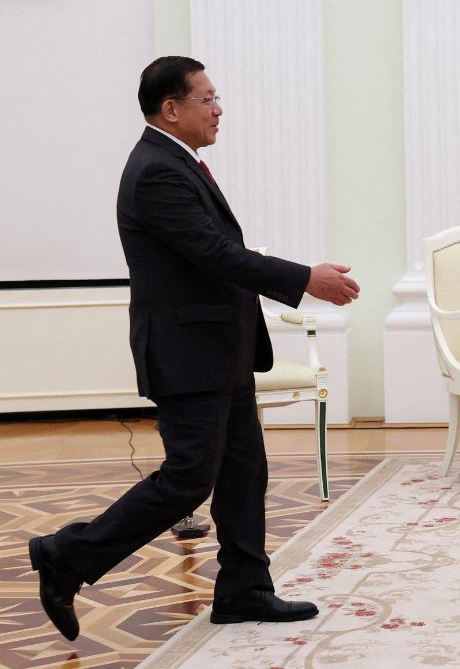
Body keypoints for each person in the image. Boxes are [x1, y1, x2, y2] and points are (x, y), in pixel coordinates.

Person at [28, 56, 360, 641]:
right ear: (172, 108)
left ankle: (244, 590)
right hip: (187, 354)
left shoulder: (178, 163)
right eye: (207, 99)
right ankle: (66, 554)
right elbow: (217, 253)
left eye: (216, 97)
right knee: (188, 479)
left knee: (243, 472)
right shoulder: (157, 170)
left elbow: (213, 255)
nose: (219, 109)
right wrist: (305, 277)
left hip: (216, 348)